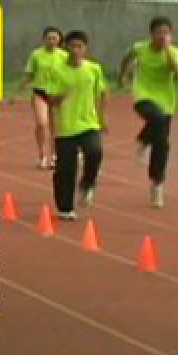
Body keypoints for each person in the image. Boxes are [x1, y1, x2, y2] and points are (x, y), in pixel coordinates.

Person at [118, 16, 178, 209]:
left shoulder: (175, 52)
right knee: (156, 118)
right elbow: (126, 58)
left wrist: (167, 50)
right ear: (151, 34)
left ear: (171, 34)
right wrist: (123, 76)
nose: (162, 36)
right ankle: (143, 140)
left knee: (162, 144)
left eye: (166, 33)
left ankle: (157, 183)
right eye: (159, 32)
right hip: (143, 94)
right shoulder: (139, 48)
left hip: (166, 100)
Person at [46, 30, 108, 221]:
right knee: (65, 168)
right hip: (65, 126)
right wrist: (59, 97)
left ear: (85, 49)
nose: (75, 50)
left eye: (79, 46)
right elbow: (50, 99)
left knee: (95, 152)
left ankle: (87, 183)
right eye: (72, 46)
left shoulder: (94, 69)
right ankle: (65, 207)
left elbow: (102, 93)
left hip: (89, 123)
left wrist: (102, 118)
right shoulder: (57, 70)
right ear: (66, 48)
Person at [13, 27, 68, 170]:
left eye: (55, 38)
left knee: (56, 127)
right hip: (40, 93)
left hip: (57, 95)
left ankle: (55, 156)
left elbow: (70, 75)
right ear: (43, 39)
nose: (52, 41)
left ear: (59, 40)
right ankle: (42, 155)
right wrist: (17, 92)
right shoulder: (36, 54)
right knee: (42, 123)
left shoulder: (64, 56)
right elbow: (28, 74)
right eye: (49, 38)